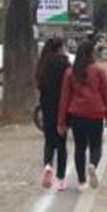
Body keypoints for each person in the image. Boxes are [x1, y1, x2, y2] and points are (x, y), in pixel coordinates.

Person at [57, 34, 107, 191]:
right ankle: (93, 164)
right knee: (96, 145)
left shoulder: (70, 73)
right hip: (96, 113)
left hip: (77, 115)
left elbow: (64, 98)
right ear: (91, 54)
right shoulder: (99, 71)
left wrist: (61, 121)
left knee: (80, 148)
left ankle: (81, 182)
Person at [35, 37, 71, 191]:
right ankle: (61, 179)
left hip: (46, 106)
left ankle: (48, 165)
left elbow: (39, 86)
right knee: (61, 143)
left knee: (49, 140)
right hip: (62, 106)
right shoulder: (64, 64)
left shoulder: (42, 64)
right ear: (59, 48)